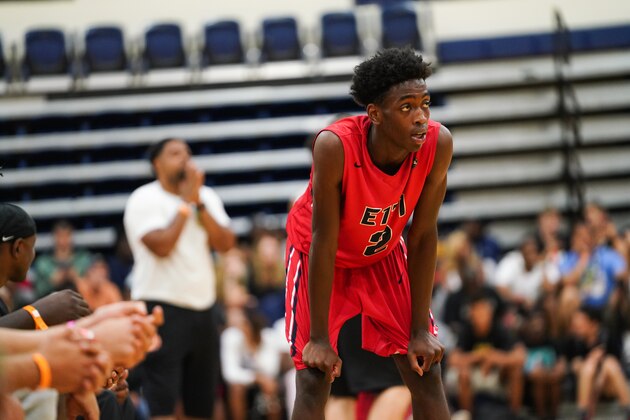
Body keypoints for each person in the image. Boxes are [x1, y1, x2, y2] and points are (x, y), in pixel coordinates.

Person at [284, 47, 452, 419]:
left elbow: (423, 235)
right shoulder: (335, 146)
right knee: (314, 375)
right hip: (321, 256)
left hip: (382, 254)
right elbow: (324, 241)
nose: (421, 117)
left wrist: (419, 328)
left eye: (425, 104)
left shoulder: (438, 144)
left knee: (425, 365)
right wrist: (319, 339)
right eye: (407, 107)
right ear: (375, 114)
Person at [124, 137, 236, 419]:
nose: (184, 159)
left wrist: (199, 204)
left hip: (204, 308)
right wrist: (186, 204)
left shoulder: (206, 197)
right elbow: (161, 246)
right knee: (162, 402)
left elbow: (225, 242)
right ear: (156, 163)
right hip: (162, 307)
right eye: (175, 153)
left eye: (187, 153)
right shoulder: (144, 198)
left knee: (202, 403)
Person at [32, 220, 92, 298]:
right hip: (49, 302)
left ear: (72, 236)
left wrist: (76, 278)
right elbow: (40, 290)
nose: (63, 240)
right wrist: (55, 280)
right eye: (60, 236)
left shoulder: (83, 258)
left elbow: (91, 287)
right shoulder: (43, 262)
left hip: (79, 299)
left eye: (67, 235)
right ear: (54, 236)